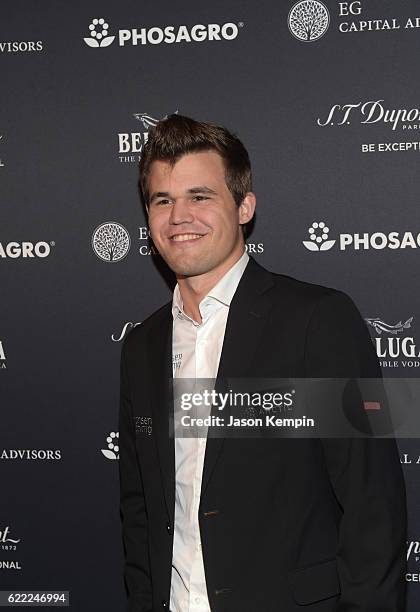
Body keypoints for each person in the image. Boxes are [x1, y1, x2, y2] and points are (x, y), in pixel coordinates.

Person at [118, 114, 407, 612]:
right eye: (162, 200)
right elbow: (141, 510)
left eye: (200, 197)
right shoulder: (141, 345)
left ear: (244, 206)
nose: (178, 216)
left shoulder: (317, 320)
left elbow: (371, 505)